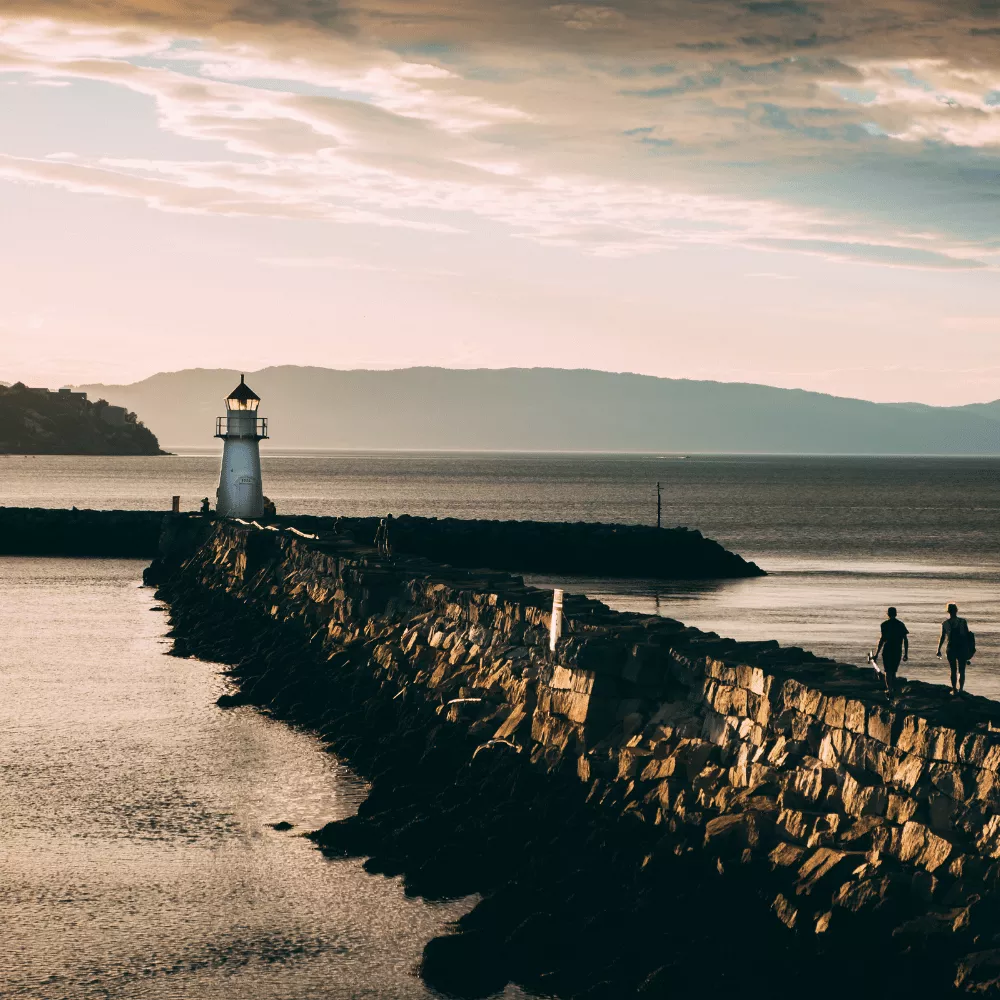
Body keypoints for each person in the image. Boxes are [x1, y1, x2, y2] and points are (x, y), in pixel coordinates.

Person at [874, 606, 908, 699]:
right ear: (896, 614)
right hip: (897, 649)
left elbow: (882, 640)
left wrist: (876, 654)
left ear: (887, 614)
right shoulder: (900, 624)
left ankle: (889, 689)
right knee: (893, 671)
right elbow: (905, 640)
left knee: (887, 671)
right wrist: (906, 653)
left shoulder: (884, 625)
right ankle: (892, 689)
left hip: (887, 649)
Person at [937, 603, 971, 696]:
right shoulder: (963, 621)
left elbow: (942, 637)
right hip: (962, 647)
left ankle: (954, 689)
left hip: (951, 648)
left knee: (953, 670)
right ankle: (961, 689)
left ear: (948, 611)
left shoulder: (945, 623)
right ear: (956, 610)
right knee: (962, 670)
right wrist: (969, 649)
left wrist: (938, 649)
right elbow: (967, 635)